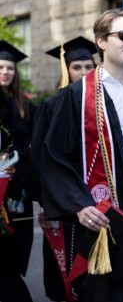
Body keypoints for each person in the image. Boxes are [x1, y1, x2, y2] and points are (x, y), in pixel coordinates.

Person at [41, 9, 123, 302]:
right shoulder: (76, 96)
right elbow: (55, 157)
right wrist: (80, 205)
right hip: (100, 211)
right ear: (101, 42)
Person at [30, 36, 97, 301]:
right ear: (66, 69)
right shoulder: (51, 105)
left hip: (98, 195)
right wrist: (45, 201)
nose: (83, 73)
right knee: (68, 261)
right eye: (76, 67)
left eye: (88, 67)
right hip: (65, 201)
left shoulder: (101, 103)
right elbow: (40, 159)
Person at [0, 41, 33, 301]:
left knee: (15, 244)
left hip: (17, 188)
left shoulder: (24, 104)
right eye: (1, 67)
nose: (6, 72)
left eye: (10, 67)